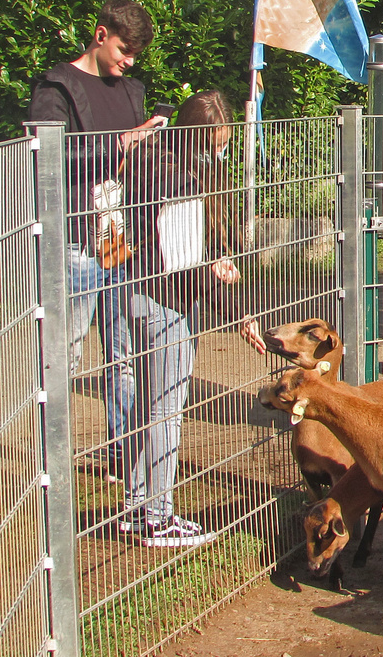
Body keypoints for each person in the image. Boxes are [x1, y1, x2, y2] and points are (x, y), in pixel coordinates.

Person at [27, 0, 167, 479]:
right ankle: (51, 458)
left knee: (122, 350)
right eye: (124, 50)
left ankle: (122, 451)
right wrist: (122, 142)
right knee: (65, 353)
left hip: (118, 237)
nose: (128, 62)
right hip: (76, 241)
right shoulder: (56, 88)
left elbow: (131, 165)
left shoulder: (130, 90)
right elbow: (47, 159)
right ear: (100, 34)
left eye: (135, 56)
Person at [118, 89, 241, 547]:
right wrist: (235, 312)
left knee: (147, 409)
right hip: (163, 301)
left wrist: (210, 261)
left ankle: (137, 508)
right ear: (198, 139)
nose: (218, 154)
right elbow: (187, 262)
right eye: (214, 145)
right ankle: (158, 516)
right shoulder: (181, 180)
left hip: (135, 290)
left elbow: (180, 248)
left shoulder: (151, 157)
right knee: (165, 411)